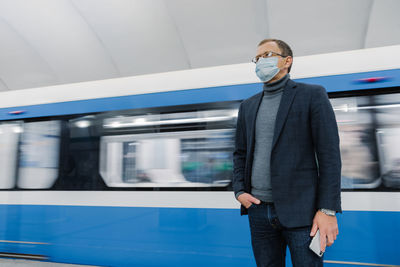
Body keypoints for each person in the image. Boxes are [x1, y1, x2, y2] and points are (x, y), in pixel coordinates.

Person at [233, 39, 341, 266]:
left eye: (267, 55)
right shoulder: (248, 106)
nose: (261, 61)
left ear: (287, 61)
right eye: (258, 58)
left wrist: (327, 210)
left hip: (303, 213)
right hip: (259, 212)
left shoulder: (311, 95)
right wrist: (239, 190)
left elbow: (329, 155)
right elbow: (240, 153)